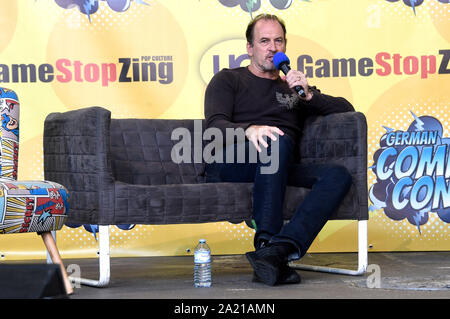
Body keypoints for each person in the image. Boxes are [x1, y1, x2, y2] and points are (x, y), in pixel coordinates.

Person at [204, 13, 355, 286]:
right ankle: (266, 240)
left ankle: (279, 250)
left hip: (280, 163)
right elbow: (214, 126)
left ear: (285, 46)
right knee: (279, 140)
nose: (272, 47)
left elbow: (346, 110)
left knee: (337, 175)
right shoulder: (228, 79)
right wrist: (249, 129)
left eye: (278, 41)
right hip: (232, 161)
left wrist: (309, 95)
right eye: (264, 41)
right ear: (250, 48)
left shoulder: (294, 88)